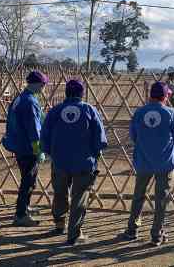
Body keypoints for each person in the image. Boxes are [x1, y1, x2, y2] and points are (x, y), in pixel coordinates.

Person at [41, 80, 107, 245]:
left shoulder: (55, 111)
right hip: (84, 162)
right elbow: (99, 136)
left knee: (60, 193)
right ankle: (74, 234)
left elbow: (45, 135)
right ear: (81, 93)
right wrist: (97, 151)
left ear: (66, 93)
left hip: (60, 161)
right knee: (79, 198)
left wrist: (51, 153)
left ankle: (59, 224)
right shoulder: (89, 109)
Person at [123, 81, 174, 246]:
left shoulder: (139, 112)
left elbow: (134, 136)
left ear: (151, 95)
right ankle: (157, 234)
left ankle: (132, 229)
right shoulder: (172, 113)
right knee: (161, 198)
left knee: (139, 195)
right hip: (165, 162)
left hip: (143, 160)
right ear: (165, 96)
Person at [1, 70, 48, 227]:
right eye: (42, 84)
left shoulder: (20, 98)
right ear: (35, 83)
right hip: (28, 147)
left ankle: (25, 207)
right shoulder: (29, 102)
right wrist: (38, 149)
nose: (44, 87)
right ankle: (20, 215)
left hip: (19, 144)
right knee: (27, 181)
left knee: (29, 180)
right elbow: (33, 128)